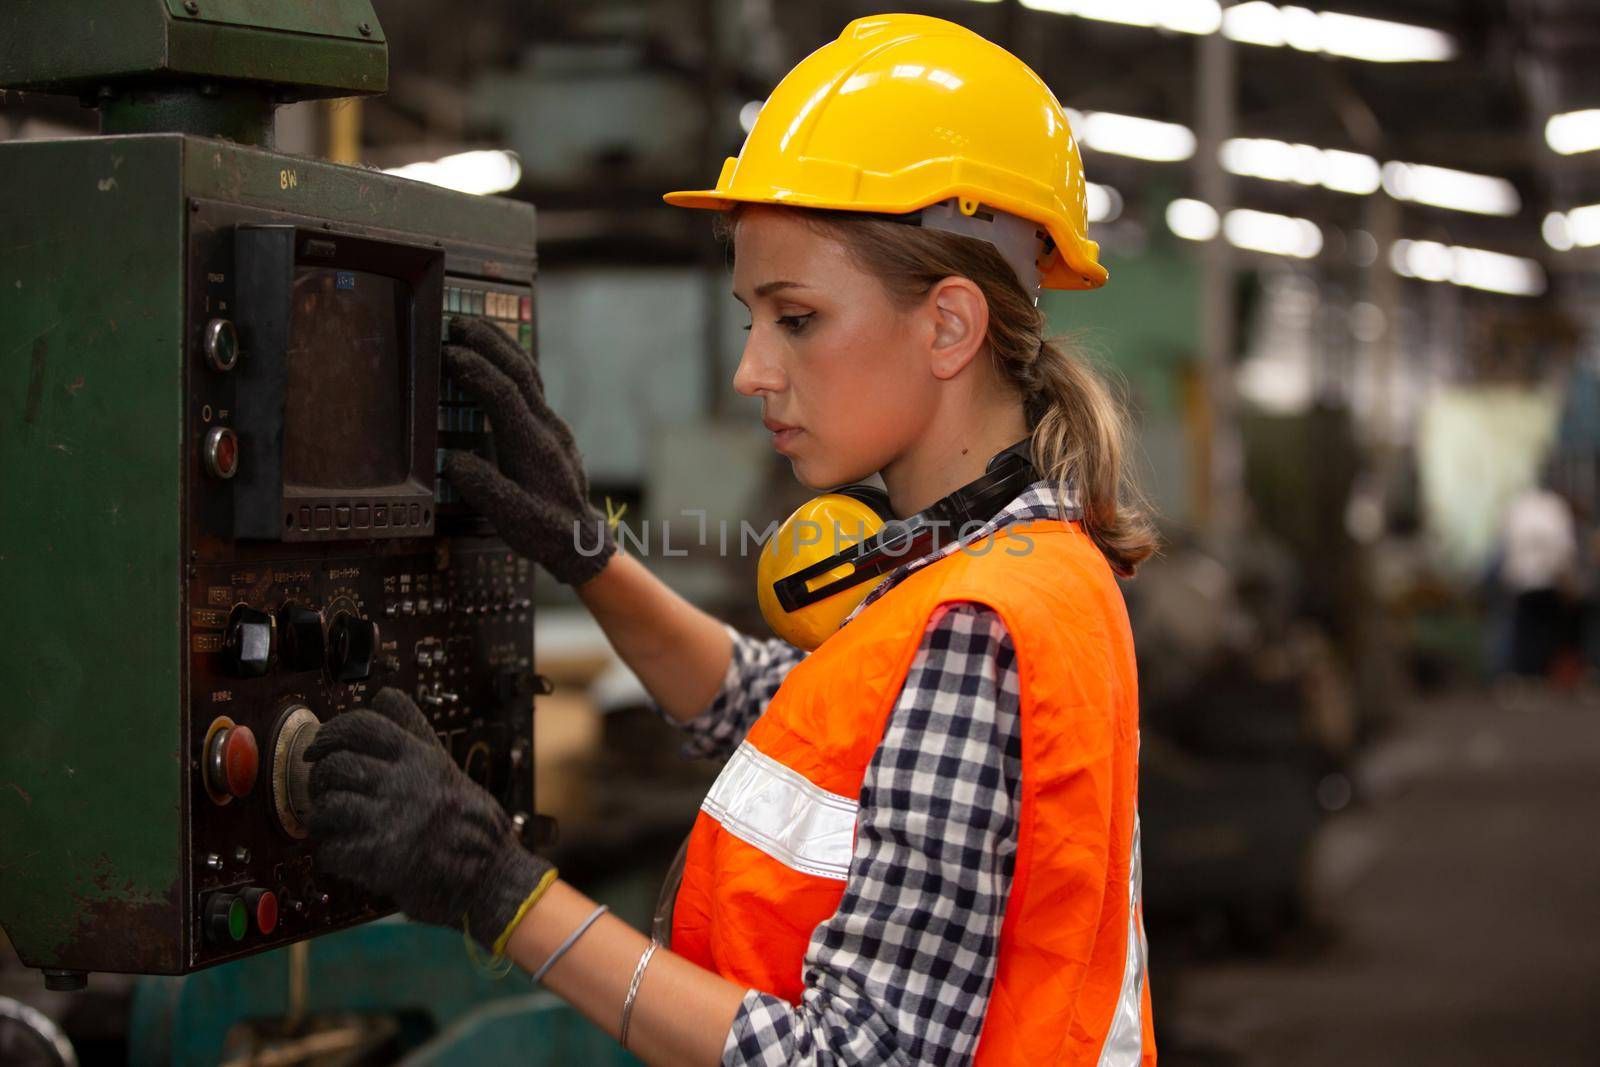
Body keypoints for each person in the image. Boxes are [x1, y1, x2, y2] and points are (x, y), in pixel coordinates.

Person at [303, 13, 1158, 1065]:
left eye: (794, 317)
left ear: (948, 324)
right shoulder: (1006, 559)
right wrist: (588, 550)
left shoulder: (979, 627)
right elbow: (777, 709)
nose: (753, 368)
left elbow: (847, 1057)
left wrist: (499, 888)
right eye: (750, 315)